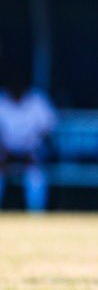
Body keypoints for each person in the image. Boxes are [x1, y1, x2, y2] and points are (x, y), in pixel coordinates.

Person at [0, 82, 58, 212]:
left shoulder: (36, 100)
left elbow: (47, 132)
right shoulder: (2, 100)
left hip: (31, 153)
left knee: (36, 175)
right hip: (5, 153)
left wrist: (34, 153)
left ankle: (35, 215)